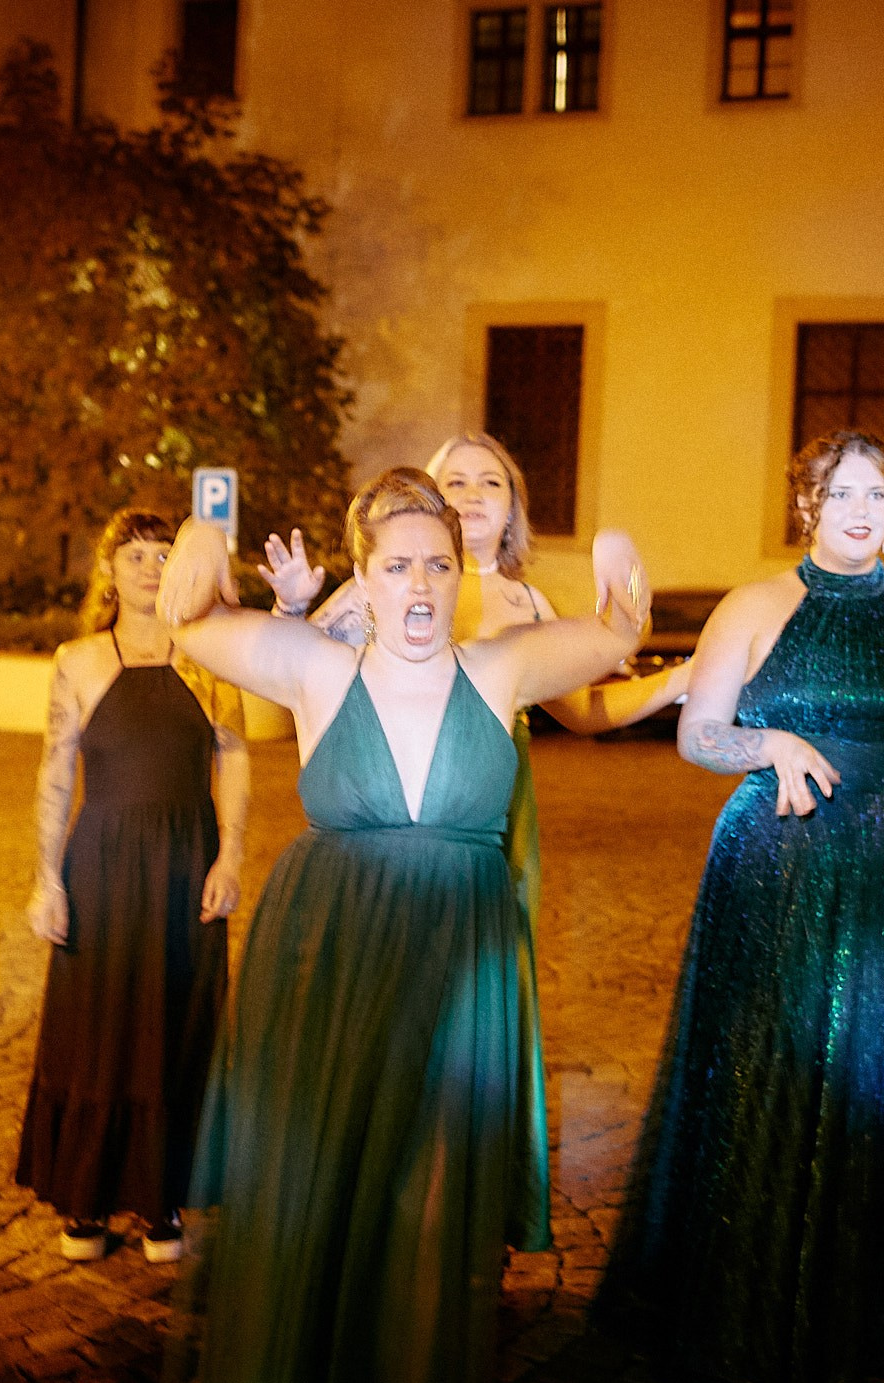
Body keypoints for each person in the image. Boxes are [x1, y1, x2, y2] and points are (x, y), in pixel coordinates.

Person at [158, 469, 647, 1383]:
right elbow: (187, 619)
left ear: (460, 574)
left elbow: (615, 636)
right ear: (363, 579)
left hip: (458, 974)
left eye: (438, 564)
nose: (419, 585)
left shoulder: (499, 668)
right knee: (320, 1196)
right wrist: (202, 534)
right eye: (397, 566)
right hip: (330, 973)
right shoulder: (317, 669)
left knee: (430, 1216)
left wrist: (620, 573)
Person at [593, 430, 884, 1383]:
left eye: (877, 494)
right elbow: (698, 732)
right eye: (839, 492)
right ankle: (742, 1300)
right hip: (778, 873)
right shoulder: (757, 605)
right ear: (805, 503)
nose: (860, 510)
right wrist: (769, 741)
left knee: (881, 1090)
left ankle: (852, 1303)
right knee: (771, 1077)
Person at [265, 433, 689, 1254]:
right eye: (452, 479)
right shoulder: (384, 580)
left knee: (481, 1010)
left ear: (512, 502)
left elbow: (583, 708)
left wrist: (671, 683)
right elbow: (303, 680)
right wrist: (290, 604)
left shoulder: (526, 607)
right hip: (392, 825)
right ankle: (372, 1191)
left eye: (490, 479)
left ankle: (469, 1194)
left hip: (498, 817)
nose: (470, 492)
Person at [18, 508, 250, 1263]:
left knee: (177, 1020)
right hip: (104, 861)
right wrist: (47, 877)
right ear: (108, 571)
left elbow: (235, 755)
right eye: (136, 556)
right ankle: (86, 1199)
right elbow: (55, 769)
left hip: (189, 858)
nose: (151, 568)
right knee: (98, 1021)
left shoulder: (212, 654)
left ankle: (162, 1204)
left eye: (164, 555)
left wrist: (233, 854)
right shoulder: (78, 658)